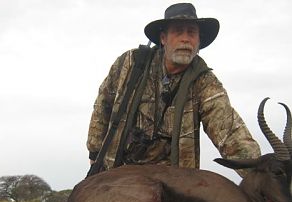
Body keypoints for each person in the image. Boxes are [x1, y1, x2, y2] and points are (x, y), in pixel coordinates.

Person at [86, 2, 260, 176]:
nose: (185, 39)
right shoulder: (130, 64)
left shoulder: (205, 82)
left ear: (198, 41)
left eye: (191, 33)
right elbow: (103, 105)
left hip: (172, 183)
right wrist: (94, 152)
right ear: (163, 38)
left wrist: (259, 174)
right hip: (119, 172)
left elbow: (229, 130)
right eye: (178, 31)